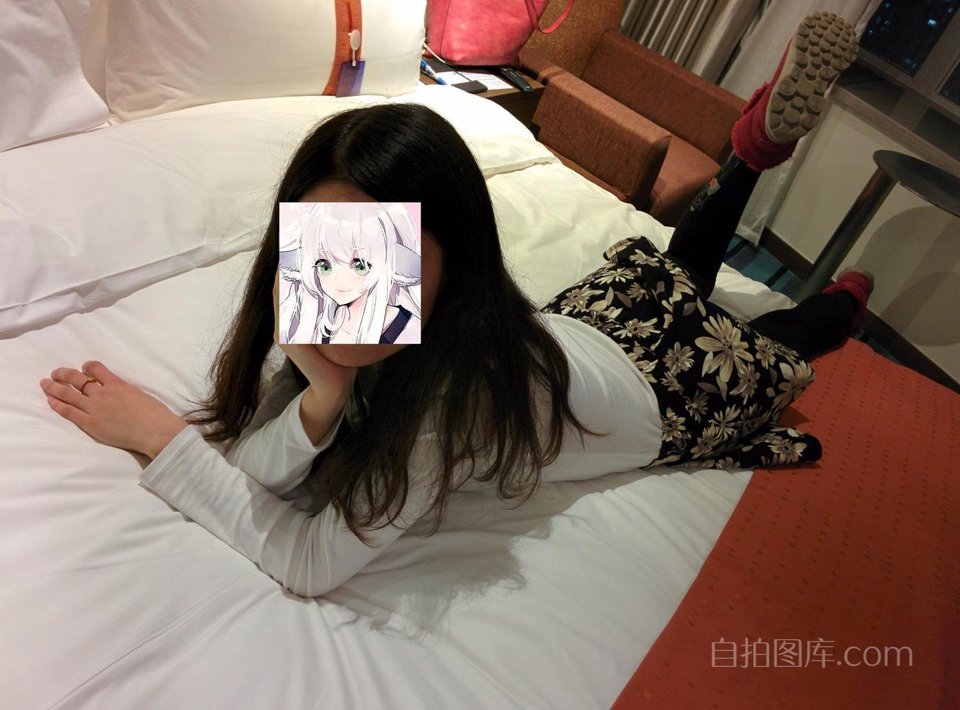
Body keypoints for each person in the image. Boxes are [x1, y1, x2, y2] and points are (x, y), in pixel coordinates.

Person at [39, 13, 867, 597]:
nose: (341, 290)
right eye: (321, 254)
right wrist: (323, 395)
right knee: (676, 281)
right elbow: (262, 473)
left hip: (662, 401)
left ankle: (840, 305)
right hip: (578, 330)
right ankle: (752, 152)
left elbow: (308, 563)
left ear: (456, 270)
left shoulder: (449, 407)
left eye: (379, 261)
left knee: (762, 343)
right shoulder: (363, 318)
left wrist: (164, 440)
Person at [278, 202, 422, 345]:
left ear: (386, 264)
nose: (339, 280)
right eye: (324, 266)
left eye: (360, 266)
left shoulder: (409, 328)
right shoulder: (317, 323)